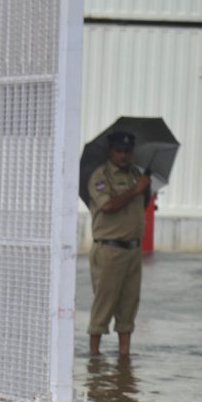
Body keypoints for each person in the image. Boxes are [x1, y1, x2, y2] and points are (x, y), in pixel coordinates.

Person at [87, 131, 149, 357]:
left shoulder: (137, 175)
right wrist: (136, 190)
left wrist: (144, 188)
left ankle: (125, 356)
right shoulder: (101, 176)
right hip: (109, 249)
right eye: (119, 151)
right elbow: (107, 206)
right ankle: (94, 356)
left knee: (129, 304)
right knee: (104, 305)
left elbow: (137, 209)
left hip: (133, 249)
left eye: (128, 151)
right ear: (111, 152)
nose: (124, 156)